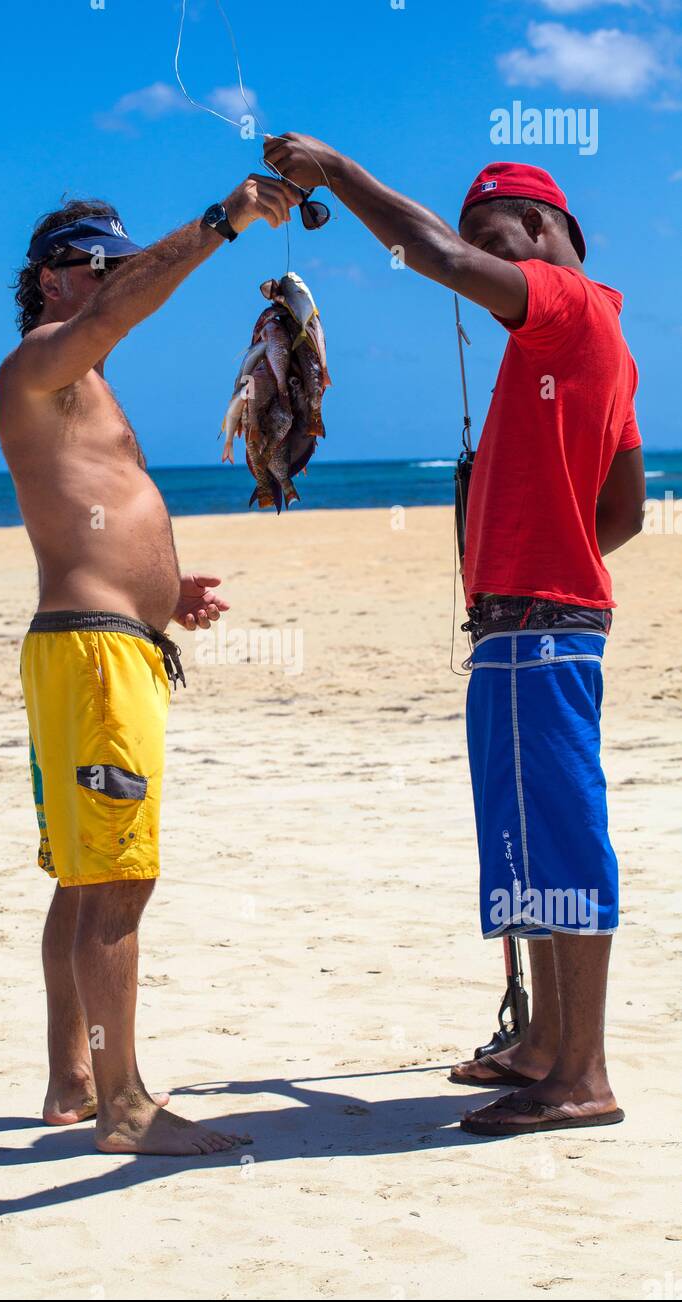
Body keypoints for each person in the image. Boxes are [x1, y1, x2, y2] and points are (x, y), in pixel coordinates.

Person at [264, 137, 644, 1136]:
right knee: (526, 839)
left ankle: (580, 1074)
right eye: (475, 240)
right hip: (532, 624)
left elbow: (428, 254)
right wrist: (536, 532)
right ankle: (541, 1046)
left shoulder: (561, 304)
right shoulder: (591, 340)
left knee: (561, 845)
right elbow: (625, 511)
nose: (477, 258)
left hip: (538, 629)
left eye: (493, 239)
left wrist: (335, 171)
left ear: (547, 233)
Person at [0, 174, 301, 1155]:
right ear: (50, 279)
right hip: (92, 660)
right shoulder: (39, 360)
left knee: (83, 880)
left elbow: (95, 505)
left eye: (116, 266)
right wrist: (224, 220)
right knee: (117, 882)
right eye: (100, 266)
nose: (116, 281)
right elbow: (127, 306)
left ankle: (70, 1078)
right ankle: (125, 1104)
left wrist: (166, 591)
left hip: (99, 645)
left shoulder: (78, 384)